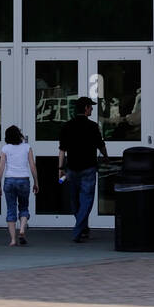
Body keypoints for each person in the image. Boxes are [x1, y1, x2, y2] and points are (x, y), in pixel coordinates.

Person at [58, 95, 108, 242]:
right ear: (86, 108)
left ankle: (83, 228)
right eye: (90, 106)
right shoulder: (92, 126)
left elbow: (62, 150)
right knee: (86, 200)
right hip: (89, 168)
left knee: (74, 200)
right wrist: (106, 157)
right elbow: (101, 144)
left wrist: (60, 168)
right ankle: (78, 229)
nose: (92, 108)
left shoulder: (67, 126)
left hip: (71, 169)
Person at [0, 125, 38, 246]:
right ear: (19, 135)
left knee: (11, 209)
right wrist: (36, 182)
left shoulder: (5, 149)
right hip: (24, 180)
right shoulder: (27, 147)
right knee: (24, 207)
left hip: (9, 180)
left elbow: (1, 168)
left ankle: (13, 240)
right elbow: (32, 166)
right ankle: (23, 229)